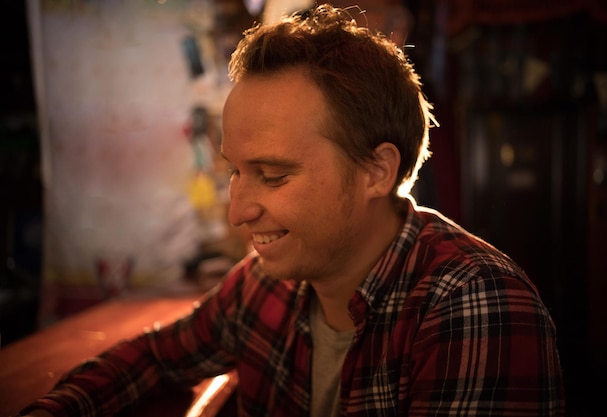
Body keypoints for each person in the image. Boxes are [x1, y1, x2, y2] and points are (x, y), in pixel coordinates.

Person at [20, 4, 565, 417]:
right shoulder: (267, 284)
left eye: (274, 176)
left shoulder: (474, 305)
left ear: (377, 170)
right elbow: (159, 356)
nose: (238, 212)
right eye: (236, 171)